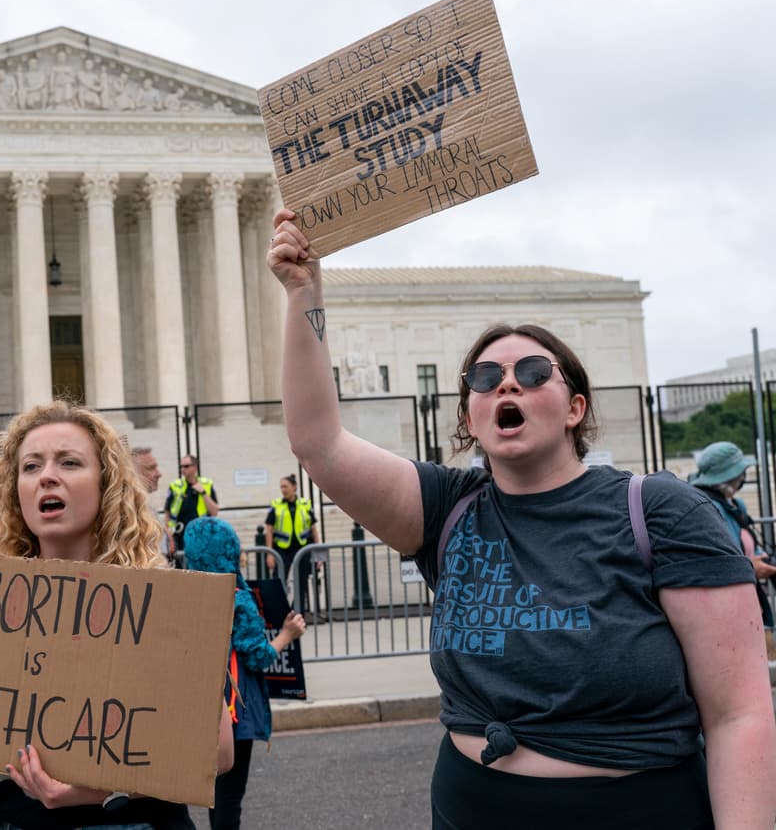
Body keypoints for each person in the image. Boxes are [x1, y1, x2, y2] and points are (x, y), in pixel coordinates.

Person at [268, 209, 776, 829]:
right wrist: (304, 292)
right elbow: (317, 441)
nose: (507, 385)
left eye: (532, 374)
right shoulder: (446, 510)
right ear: (470, 416)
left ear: (574, 408)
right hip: (470, 808)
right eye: (486, 378)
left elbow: (739, 716)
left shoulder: (663, 511)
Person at [0, 400, 232, 829]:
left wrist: (103, 790)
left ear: (106, 483)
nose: (47, 476)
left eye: (69, 463)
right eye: (31, 467)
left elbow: (219, 753)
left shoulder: (161, 600)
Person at [183, 516, 305, 830]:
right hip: (234, 709)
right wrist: (287, 635)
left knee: (209, 789)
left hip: (195, 702)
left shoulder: (185, 591)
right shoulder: (236, 597)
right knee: (229, 797)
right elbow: (259, 656)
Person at [689, 441, 776, 649]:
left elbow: (747, 546)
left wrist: (759, 559)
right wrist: (750, 567)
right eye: (741, 472)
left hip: (746, 600)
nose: (743, 477)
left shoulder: (735, 505)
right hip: (726, 610)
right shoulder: (707, 509)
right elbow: (712, 562)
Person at [263, 475, 322, 618]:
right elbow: (269, 530)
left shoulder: (305, 504)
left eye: (285, 486)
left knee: (302, 582)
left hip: (302, 549)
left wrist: (318, 553)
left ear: (294, 487)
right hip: (282, 550)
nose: (283, 490)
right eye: (281, 487)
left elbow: (314, 529)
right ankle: (279, 614)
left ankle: (298, 613)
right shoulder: (276, 505)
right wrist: (269, 553)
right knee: (279, 582)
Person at [164, 455, 219, 558]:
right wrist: (169, 536)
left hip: (201, 535)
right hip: (179, 536)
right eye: (181, 466)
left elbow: (214, 512)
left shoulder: (207, 484)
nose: (183, 469)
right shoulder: (175, 486)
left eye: (186, 466)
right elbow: (167, 513)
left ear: (195, 467)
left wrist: (203, 492)